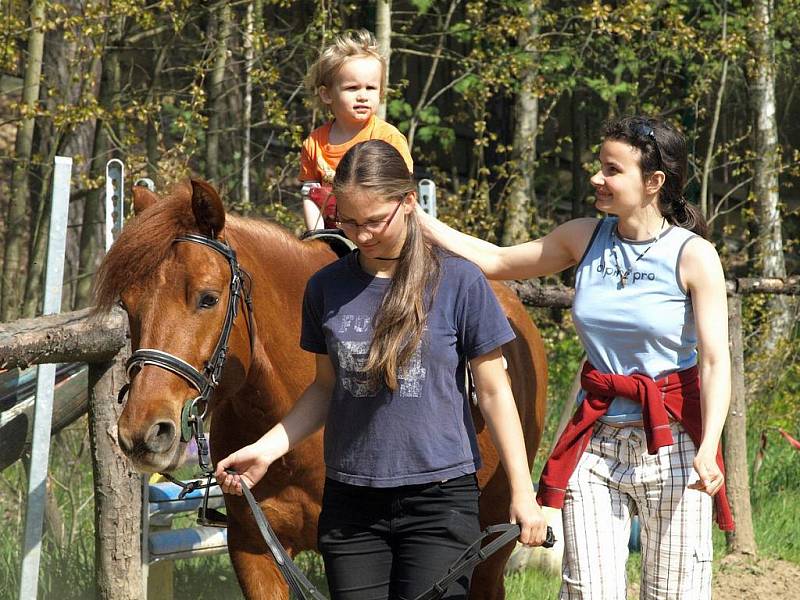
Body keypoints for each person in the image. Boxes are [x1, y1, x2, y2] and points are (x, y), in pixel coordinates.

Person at [418, 115, 734, 599]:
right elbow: (498, 261)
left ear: (654, 183)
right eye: (599, 166)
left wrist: (709, 446)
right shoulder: (584, 237)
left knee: (676, 591)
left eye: (612, 170)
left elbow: (714, 362)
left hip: (673, 444)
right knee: (586, 590)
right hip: (596, 444)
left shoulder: (693, 256)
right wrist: (414, 216)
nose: (596, 178)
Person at [217, 139, 547, 599]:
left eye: (374, 221)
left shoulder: (459, 282)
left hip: (440, 501)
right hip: (352, 505)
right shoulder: (327, 288)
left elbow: (494, 393)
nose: (362, 235)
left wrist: (522, 493)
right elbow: (325, 388)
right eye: (348, 222)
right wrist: (267, 449)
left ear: (408, 203)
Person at [299, 29, 413, 232]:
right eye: (352, 88)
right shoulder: (314, 144)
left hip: (381, 231)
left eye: (370, 88)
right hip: (335, 233)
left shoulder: (388, 138)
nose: (362, 96)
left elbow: (401, 196)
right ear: (326, 95)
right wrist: (318, 235)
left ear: (381, 92)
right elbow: (310, 195)